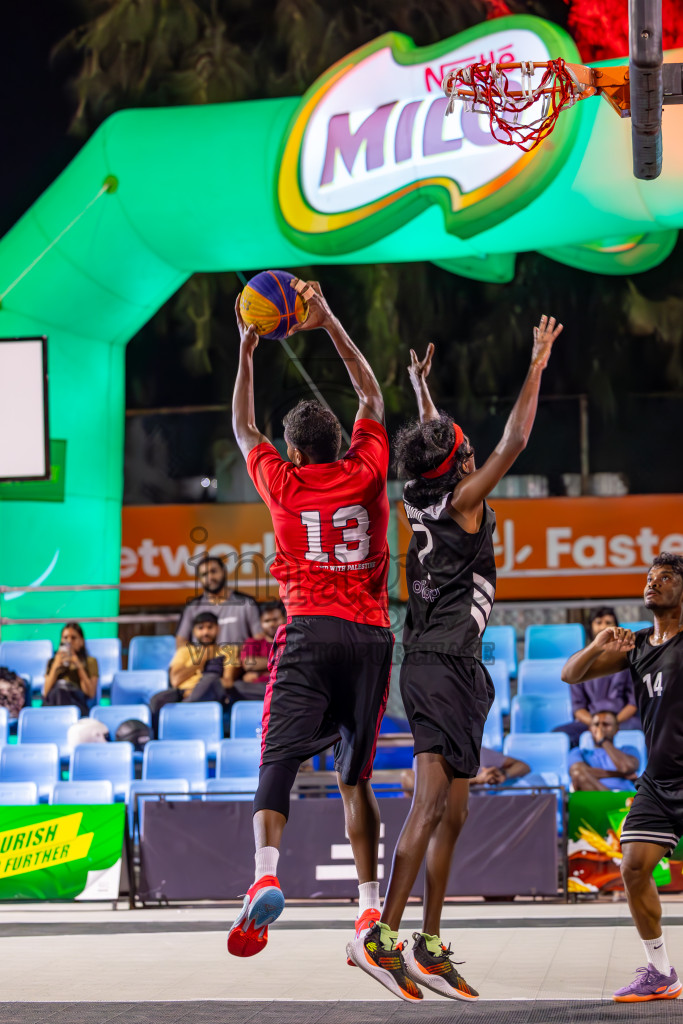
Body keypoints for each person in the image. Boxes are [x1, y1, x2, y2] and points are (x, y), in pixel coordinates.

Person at [348, 314, 562, 1001]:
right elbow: (515, 438)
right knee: (432, 800)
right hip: (439, 662)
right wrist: (535, 363)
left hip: (456, 665)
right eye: (464, 448)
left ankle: (430, 941)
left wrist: (420, 391)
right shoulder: (466, 497)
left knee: (457, 809)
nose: (468, 447)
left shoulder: (420, 491)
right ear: (463, 466)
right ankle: (378, 935)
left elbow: (434, 447)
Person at [228, 279, 394, 967]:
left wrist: (246, 351)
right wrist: (325, 320)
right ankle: (366, 911)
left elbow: (242, 428)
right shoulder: (366, 471)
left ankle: (267, 871)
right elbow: (372, 396)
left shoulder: (283, 483)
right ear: (339, 443)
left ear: (293, 453)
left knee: (278, 760)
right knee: (356, 780)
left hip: (307, 631)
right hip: (371, 639)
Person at [562, 553, 683, 1002]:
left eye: (665, 578)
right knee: (632, 867)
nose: (652, 584)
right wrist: (598, 645)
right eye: (649, 578)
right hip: (659, 781)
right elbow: (568, 673)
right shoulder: (637, 646)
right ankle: (660, 971)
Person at [554, 607, 639, 746]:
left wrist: (613, 723)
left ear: (617, 627)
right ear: (591, 627)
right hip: (590, 721)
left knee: (652, 731)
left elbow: (633, 703)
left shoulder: (628, 657)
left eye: (608, 622)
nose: (603, 626)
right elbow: (578, 708)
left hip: (622, 720)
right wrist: (597, 725)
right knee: (559, 736)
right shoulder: (580, 662)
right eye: (598, 622)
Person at [150, 611, 242, 733]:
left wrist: (197, 688)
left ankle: (181, 712)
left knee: (210, 679)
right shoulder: (184, 651)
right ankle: (156, 737)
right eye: (201, 628)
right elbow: (176, 680)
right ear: (194, 631)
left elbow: (228, 682)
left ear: (218, 629)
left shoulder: (228, 650)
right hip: (182, 693)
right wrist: (203, 658)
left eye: (210, 627)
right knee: (157, 699)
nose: (205, 632)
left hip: (211, 692)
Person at [175, 554, 262, 649]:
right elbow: (181, 642)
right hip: (204, 663)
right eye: (204, 574)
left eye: (213, 571)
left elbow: (259, 638)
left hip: (238, 662)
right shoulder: (192, 608)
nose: (210, 577)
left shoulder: (246, 603)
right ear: (200, 579)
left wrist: (241, 654)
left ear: (223, 571)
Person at [400, 748, 535, 796]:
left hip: (479, 814)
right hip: (442, 816)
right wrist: (477, 780)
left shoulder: (480, 752)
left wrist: (503, 774)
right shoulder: (427, 756)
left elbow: (524, 766)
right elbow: (429, 788)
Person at [568, 710, 640, 792]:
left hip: (624, 796)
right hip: (593, 798)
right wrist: (621, 774)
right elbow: (578, 772)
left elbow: (627, 768)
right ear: (590, 729)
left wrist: (603, 741)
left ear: (617, 729)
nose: (600, 728)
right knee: (579, 776)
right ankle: (611, 801)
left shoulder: (629, 750)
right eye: (596, 724)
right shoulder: (578, 752)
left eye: (606, 724)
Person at [42, 622, 98, 714]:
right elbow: (46, 692)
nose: (69, 641)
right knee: (59, 692)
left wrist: (78, 665)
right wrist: (56, 666)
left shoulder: (90, 661)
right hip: (54, 700)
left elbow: (91, 693)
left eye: (73, 638)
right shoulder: (52, 661)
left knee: (62, 693)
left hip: (75, 700)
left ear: (81, 642)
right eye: (65, 637)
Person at [237, 601, 287, 699]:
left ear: (284, 619)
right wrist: (281, 662)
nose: (272, 624)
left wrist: (258, 672)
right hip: (259, 688)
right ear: (260, 623)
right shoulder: (253, 642)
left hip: (283, 684)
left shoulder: (290, 641)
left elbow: (292, 664)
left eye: (276, 619)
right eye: (267, 621)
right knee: (237, 686)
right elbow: (249, 664)